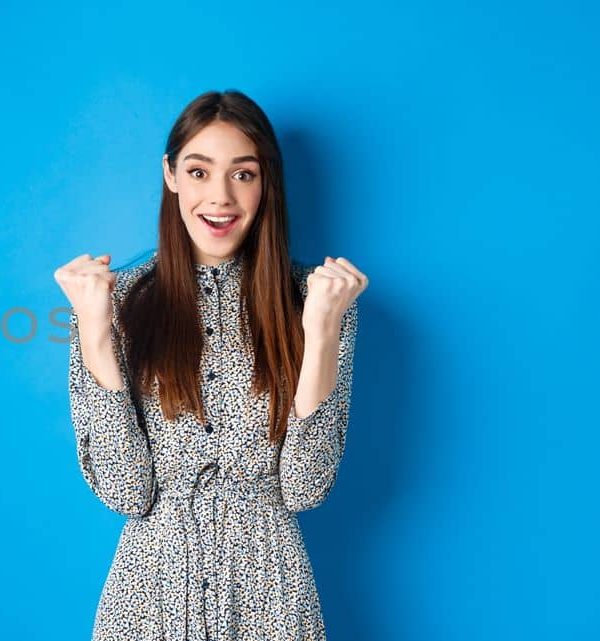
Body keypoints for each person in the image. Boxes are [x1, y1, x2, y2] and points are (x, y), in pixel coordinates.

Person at [52, 89, 369, 641]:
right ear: (170, 175)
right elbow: (127, 491)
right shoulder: (114, 301)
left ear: (266, 181)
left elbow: (304, 488)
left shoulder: (316, 300)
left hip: (273, 597)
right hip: (149, 601)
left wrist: (320, 332)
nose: (220, 197)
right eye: (199, 172)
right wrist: (95, 330)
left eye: (243, 174)